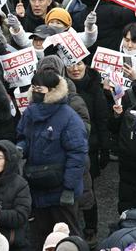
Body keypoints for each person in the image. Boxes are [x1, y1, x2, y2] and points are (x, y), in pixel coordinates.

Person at [17, 69, 88, 240]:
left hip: (60, 191)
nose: (35, 92)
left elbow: (77, 155)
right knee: (40, 238)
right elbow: (23, 137)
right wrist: (19, 149)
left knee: (67, 238)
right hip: (36, 185)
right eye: (33, 88)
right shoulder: (30, 113)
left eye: (39, 89)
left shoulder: (69, 118)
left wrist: (69, 189)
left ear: (52, 90)